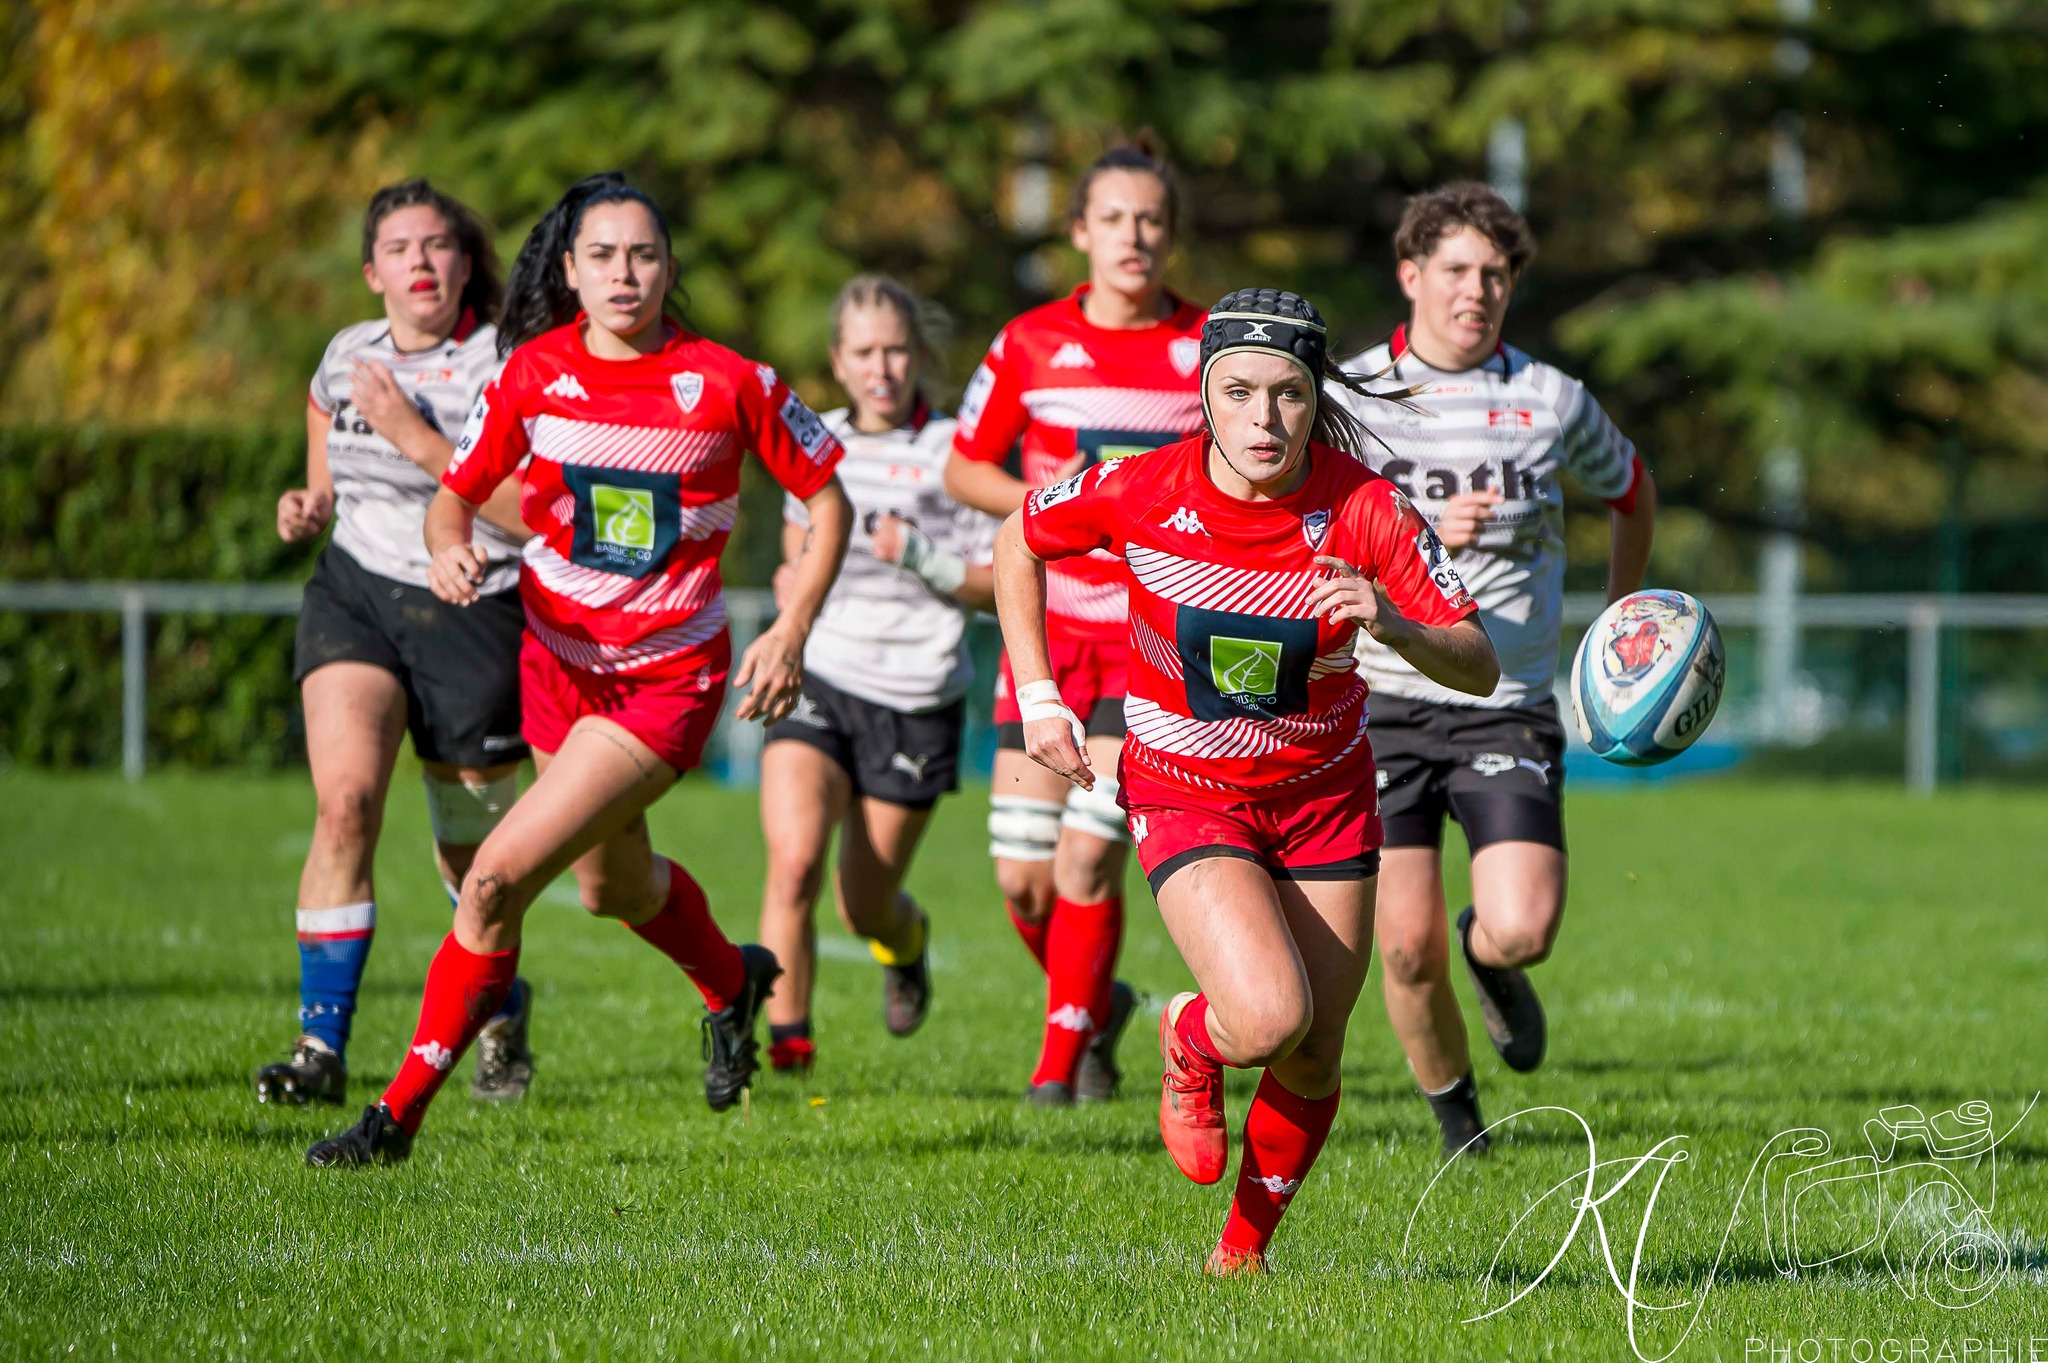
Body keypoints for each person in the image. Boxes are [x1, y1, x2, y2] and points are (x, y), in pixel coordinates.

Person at [306, 172, 853, 1167]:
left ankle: (393, 1119)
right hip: (555, 672)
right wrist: (447, 547)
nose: (623, 274)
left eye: (643, 254)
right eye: (601, 255)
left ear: (670, 267)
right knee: (614, 887)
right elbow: (456, 493)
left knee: (491, 881)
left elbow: (828, 500)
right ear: (569, 269)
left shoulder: (731, 380)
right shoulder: (531, 373)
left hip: (663, 684)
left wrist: (792, 627)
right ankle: (732, 982)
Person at [994, 288, 1500, 1274]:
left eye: (1287, 394)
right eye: (1238, 392)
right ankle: (1188, 1034)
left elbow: (1478, 662)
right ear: (1203, 394)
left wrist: (1394, 623)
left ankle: (1239, 1256)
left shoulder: (1368, 508)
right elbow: (1019, 537)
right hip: (1186, 786)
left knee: (1314, 1048)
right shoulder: (1141, 487)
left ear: (1315, 399)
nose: (1263, 419)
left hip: (1325, 797)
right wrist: (1040, 695)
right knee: (1269, 1016)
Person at [1326, 182, 1656, 1156]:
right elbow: (1308, 538)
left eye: (1496, 275)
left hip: (1503, 702)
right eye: (1458, 270)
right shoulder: (1348, 397)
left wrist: (1618, 626)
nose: (1477, 290)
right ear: (1410, 275)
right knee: (1401, 945)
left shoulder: (1550, 399)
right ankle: (1458, 1124)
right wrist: (1420, 536)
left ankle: (1492, 960)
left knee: (1521, 927)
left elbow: (1632, 493)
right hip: (1379, 698)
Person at [261, 179, 539, 1109]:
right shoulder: (348, 352)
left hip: (474, 610)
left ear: (464, 263)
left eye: (437, 245)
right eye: (399, 248)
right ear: (371, 272)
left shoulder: (504, 361)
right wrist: (313, 500)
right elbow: (322, 417)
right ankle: (320, 1046)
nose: (420, 261)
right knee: (344, 806)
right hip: (358, 595)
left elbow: (532, 516)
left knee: (476, 866)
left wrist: (416, 438)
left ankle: (499, 1007)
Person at [943, 136, 1207, 1104]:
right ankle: (1098, 1004)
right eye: (1114, 219)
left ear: (1170, 235)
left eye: (1151, 220)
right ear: (1080, 232)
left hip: (1150, 646)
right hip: (1045, 640)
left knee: (1087, 857)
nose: (1134, 236)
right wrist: (1049, 499)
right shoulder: (1028, 342)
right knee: (1025, 881)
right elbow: (963, 467)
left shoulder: (1207, 345)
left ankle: (1055, 1073)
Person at [755, 276, 997, 1072]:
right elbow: (798, 541)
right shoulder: (816, 437)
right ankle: (788, 1049)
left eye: (896, 350)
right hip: (821, 676)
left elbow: (1001, 581)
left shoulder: (958, 452)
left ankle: (907, 939)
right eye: (864, 352)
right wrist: (792, 582)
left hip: (917, 697)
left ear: (920, 354)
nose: (881, 367)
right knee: (793, 863)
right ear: (838, 360)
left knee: (864, 907)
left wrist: (924, 558)